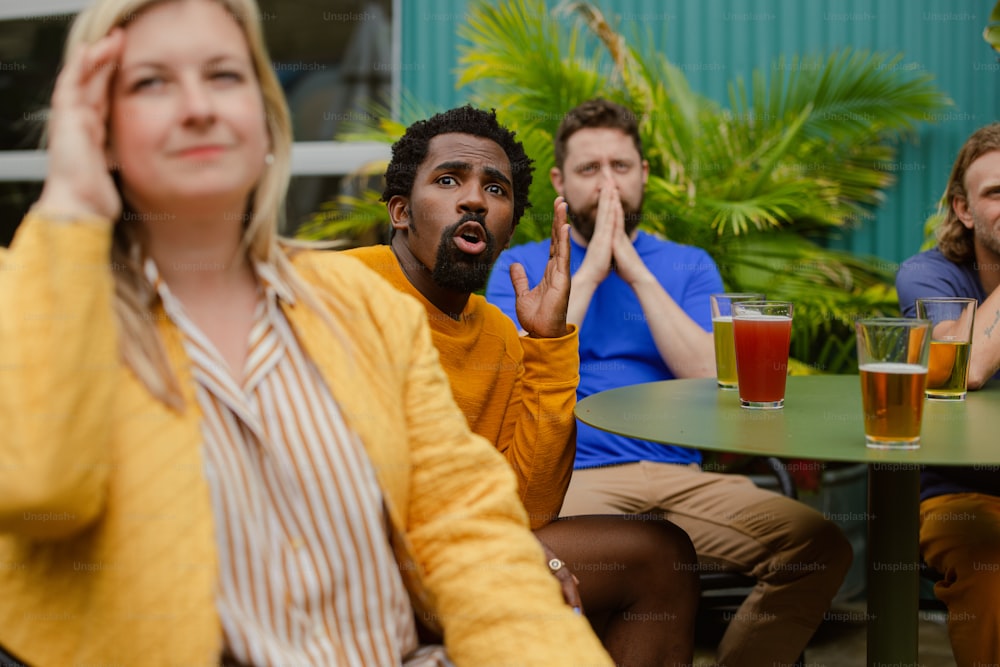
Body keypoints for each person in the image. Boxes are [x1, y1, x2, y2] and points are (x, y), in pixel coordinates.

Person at [0, 2, 615, 666]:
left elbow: (465, 525)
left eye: (225, 76)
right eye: (151, 82)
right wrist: (69, 202)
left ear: (265, 120)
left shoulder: (361, 308)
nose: (198, 105)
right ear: (101, 127)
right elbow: (40, 487)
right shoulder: (44, 302)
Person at [485, 98, 853, 667]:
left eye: (621, 167)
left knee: (818, 548)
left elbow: (711, 374)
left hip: (680, 477)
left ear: (644, 174)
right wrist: (591, 270)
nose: (608, 185)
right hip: (574, 477)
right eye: (589, 170)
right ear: (560, 181)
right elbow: (513, 376)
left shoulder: (687, 265)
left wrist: (633, 268)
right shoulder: (523, 266)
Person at [345, 105, 700, 666]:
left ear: (508, 227)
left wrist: (550, 342)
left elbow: (533, 507)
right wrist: (508, 550)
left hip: (470, 547)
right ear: (400, 211)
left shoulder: (499, 336)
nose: (474, 200)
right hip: (361, 556)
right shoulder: (345, 289)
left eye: (495, 188)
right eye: (447, 180)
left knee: (662, 554)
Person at [896, 122, 1000, 665]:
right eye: (997, 193)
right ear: (963, 209)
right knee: (992, 571)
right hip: (961, 493)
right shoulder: (928, 276)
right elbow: (965, 366)